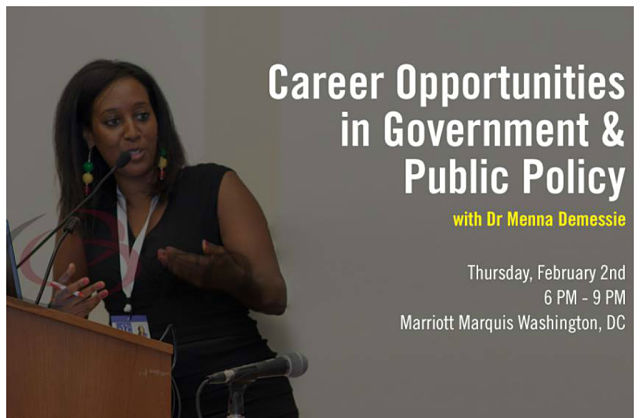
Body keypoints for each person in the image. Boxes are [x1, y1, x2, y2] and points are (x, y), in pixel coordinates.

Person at [51, 60, 298, 417]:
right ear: (89, 135)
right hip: (144, 399)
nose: (132, 132)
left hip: (239, 394)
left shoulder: (215, 187)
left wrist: (232, 278)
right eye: (113, 122)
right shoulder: (82, 218)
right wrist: (60, 317)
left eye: (142, 116)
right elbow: (65, 332)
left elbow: (276, 297)